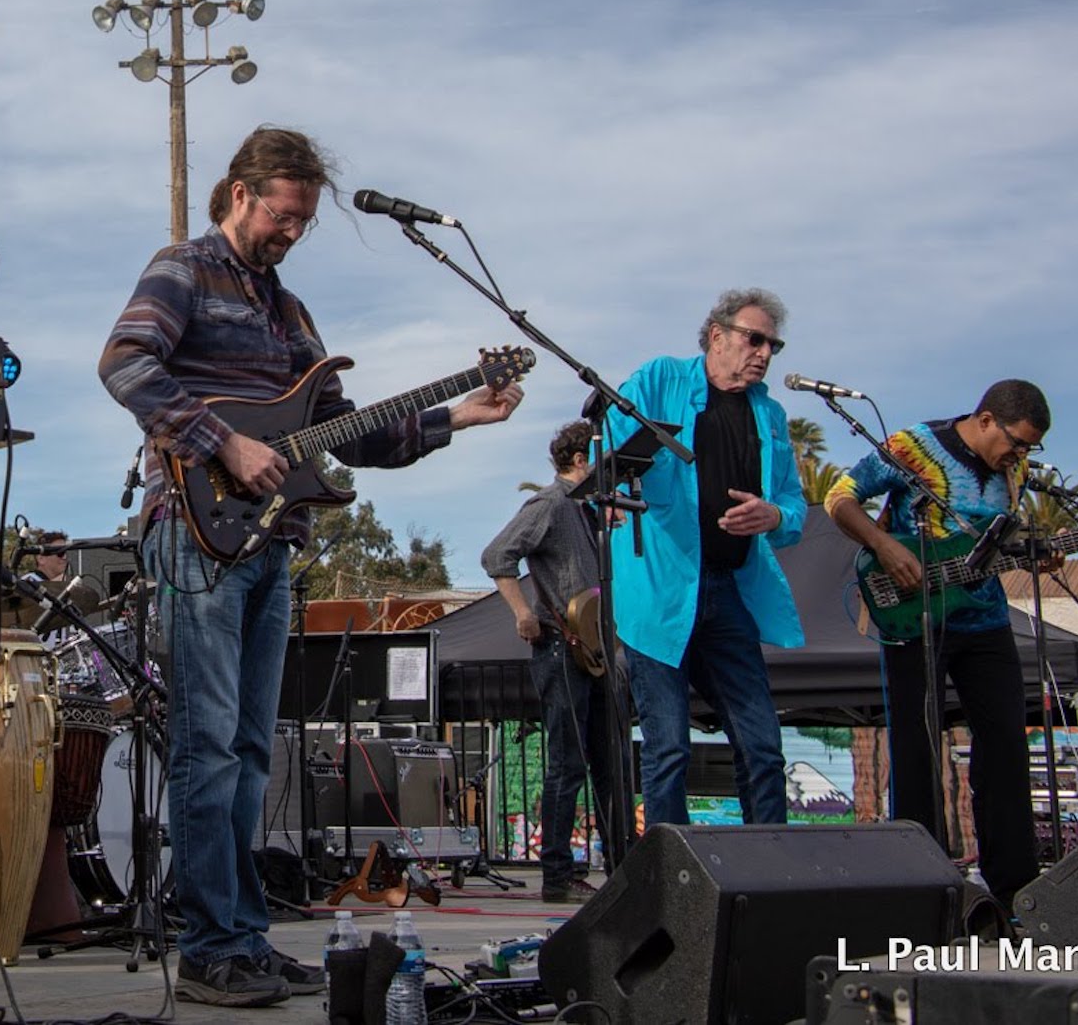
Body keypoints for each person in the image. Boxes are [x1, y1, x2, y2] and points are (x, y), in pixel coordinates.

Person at [98, 126, 522, 1007]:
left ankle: (244, 936)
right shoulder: (184, 266)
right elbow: (125, 362)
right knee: (208, 744)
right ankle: (211, 943)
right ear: (242, 195)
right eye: (283, 215)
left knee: (253, 750)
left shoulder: (291, 314)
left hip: (270, 547)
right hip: (195, 531)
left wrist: (461, 418)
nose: (291, 231)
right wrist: (227, 443)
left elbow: (352, 431)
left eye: (304, 222)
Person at [824, 379, 1054, 907]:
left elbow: (1002, 541)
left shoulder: (1012, 471)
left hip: (986, 618)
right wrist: (884, 546)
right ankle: (918, 880)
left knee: (1005, 746)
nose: (1019, 455)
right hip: (913, 614)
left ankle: (1015, 886)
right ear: (988, 419)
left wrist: (1037, 553)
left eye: (1028, 449)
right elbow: (840, 496)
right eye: (1016, 442)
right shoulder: (915, 446)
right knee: (917, 745)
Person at [605, 288, 806, 828]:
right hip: (659, 592)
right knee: (667, 748)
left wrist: (775, 516)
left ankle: (771, 869)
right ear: (717, 335)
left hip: (730, 589)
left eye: (773, 345)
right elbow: (613, 446)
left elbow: (794, 506)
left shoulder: (772, 415)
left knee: (762, 744)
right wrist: (617, 492)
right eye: (754, 338)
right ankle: (669, 877)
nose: (764, 352)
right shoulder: (660, 379)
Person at [479, 420, 621, 903]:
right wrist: (523, 613)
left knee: (607, 760)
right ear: (581, 460)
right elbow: (497, 554)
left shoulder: (583, 511)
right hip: (562, 647)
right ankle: (558, 876)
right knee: (567, 764)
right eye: (603, 459)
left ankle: (621, 866)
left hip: (593, 650)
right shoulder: (551, 504)